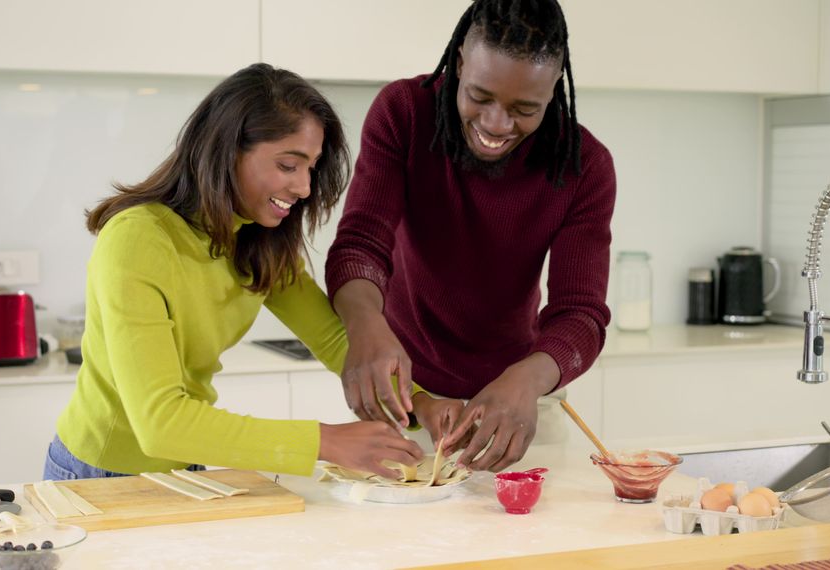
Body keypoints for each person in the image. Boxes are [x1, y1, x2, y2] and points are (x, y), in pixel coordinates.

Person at [44, 63, 422, 482]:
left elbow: (335, 340)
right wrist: (327, 442)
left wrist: (423, 405)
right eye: (288, 165)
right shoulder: (138, 239)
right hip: (100, 473)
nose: (305, 188)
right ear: (228, 150)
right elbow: (160, 424)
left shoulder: (257, 239)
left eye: (311, 167)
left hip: (185, 464)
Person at [325, 0, 617, 473]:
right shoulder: (404, 113)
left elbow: (580, 313)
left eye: (526, 109)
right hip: (404, 400)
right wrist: (365, 327)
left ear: (554, 88)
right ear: (460, 61)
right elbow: (360, 244)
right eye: (480, 96)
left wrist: (525, 381)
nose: (496, 124)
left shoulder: (584, 166)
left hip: (518, 404)